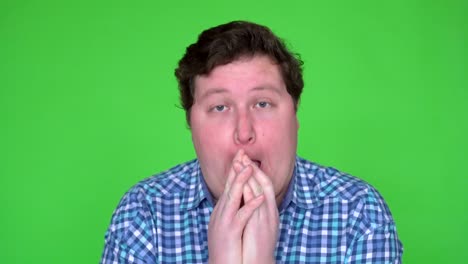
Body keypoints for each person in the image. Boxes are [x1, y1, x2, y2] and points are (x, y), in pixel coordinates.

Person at [100, 21, 403, 263]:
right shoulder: (144, 214)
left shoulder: (359, 214)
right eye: (220, 107)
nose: (243, 132)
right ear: (191, 125)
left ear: (294, 115)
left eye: (262, 104)